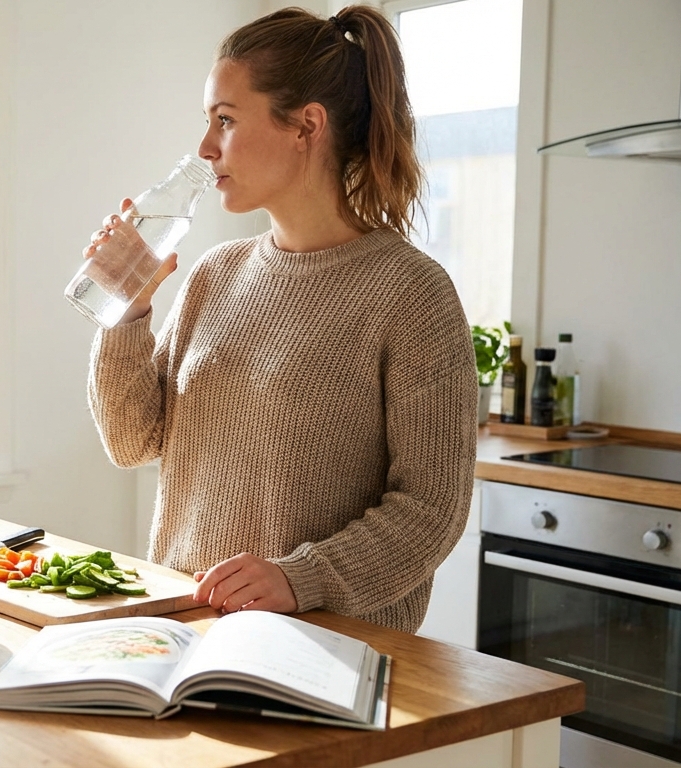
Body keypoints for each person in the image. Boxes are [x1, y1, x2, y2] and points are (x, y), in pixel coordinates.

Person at [82, 5, 477, 633]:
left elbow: (431, 510)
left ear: (306, 126)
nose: (206, 149)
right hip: (188, 629)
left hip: (327, 646)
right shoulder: (217, 274)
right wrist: (127, 313)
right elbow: (133, 442)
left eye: (227, 121)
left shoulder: (412, 295)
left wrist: (302, 578)